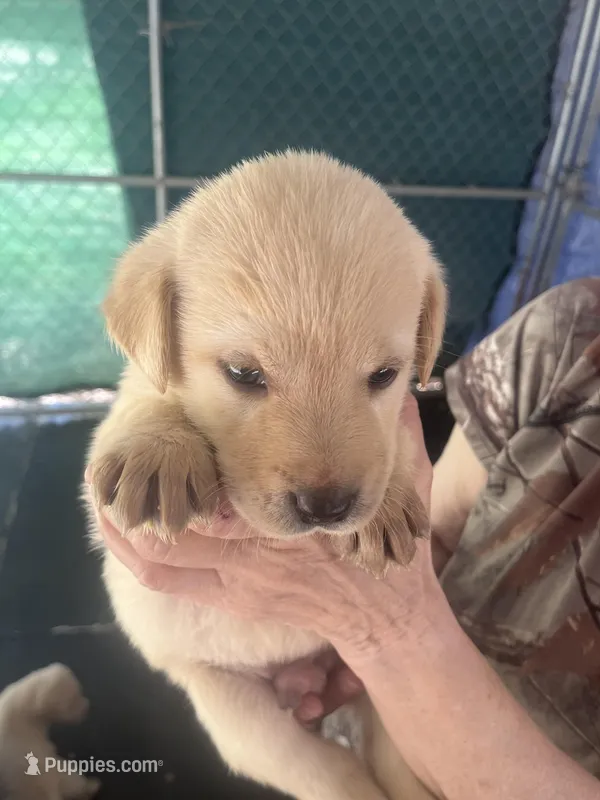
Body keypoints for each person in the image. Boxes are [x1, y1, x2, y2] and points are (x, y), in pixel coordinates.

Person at [93, 278, 600, 799]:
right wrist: (366, 643)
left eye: (381, 375)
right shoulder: (572, 331)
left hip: (406, 685)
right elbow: (439, 533)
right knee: (310, 768)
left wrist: (381, 628)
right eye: (246, 373)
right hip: (332, 679)